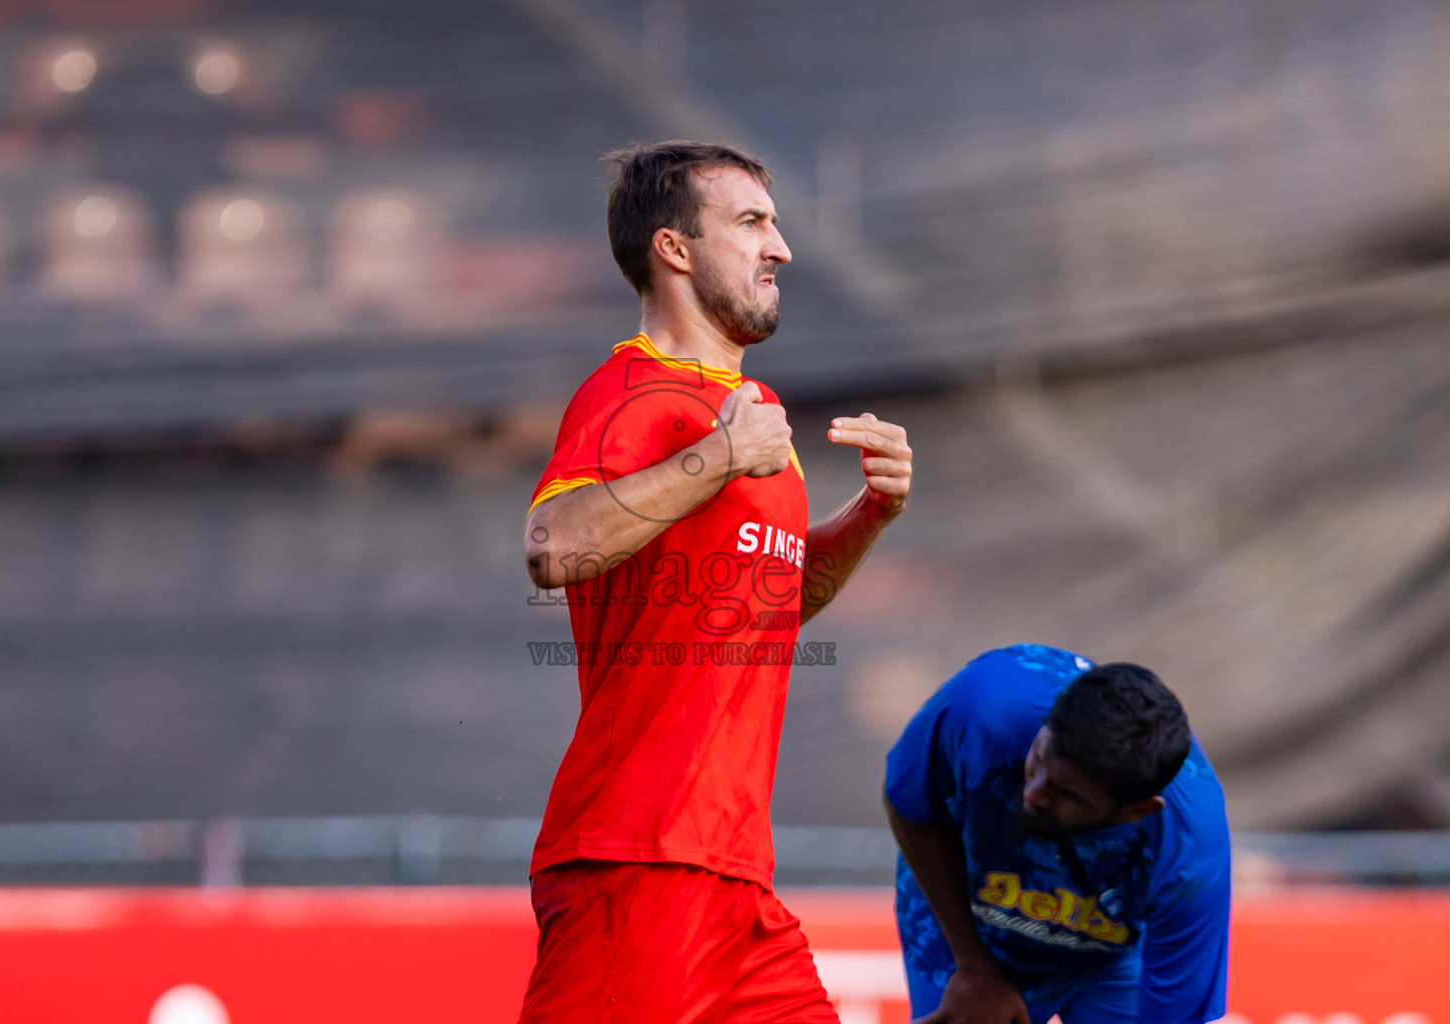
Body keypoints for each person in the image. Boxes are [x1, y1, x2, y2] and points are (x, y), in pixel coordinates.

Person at [519, 140, 913, 1024]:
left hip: (735, 879)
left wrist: (866, 520)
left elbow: (777, 600)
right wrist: (720, 455)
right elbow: (552, 548)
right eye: (751, 223)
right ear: (675, 249)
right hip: (638, 859)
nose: (781, 248)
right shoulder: (628, 393)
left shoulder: (752, 418)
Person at [883, 645, 1230, 1024]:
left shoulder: (1191, 851)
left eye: (1069, 795)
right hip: (966, 917)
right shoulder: (980, 706)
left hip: (1108, 951)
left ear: (1138, 810)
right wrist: (973, 966)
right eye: (1040, 758)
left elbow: (1175, 1016)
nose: (1033, 794)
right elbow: (912, 808)